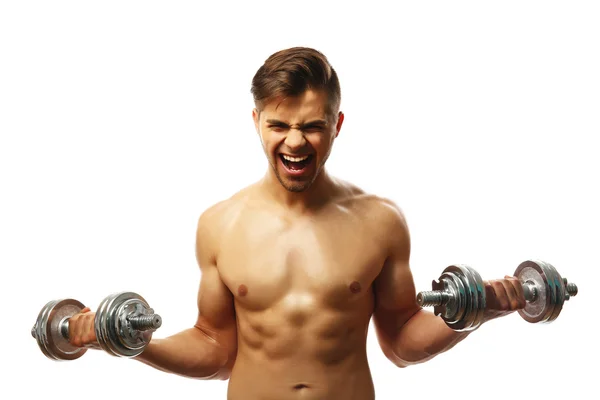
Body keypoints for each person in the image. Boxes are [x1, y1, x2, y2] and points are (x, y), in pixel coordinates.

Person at [68, 47, 527, 399]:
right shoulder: (220, 225)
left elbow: (401, 344)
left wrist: (475, 311)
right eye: (278, 125)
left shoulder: (380, 221)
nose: (295, 142)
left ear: (337, 124)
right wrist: (131, 342)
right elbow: (216, 350)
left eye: (312, 125)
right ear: (256, 122)